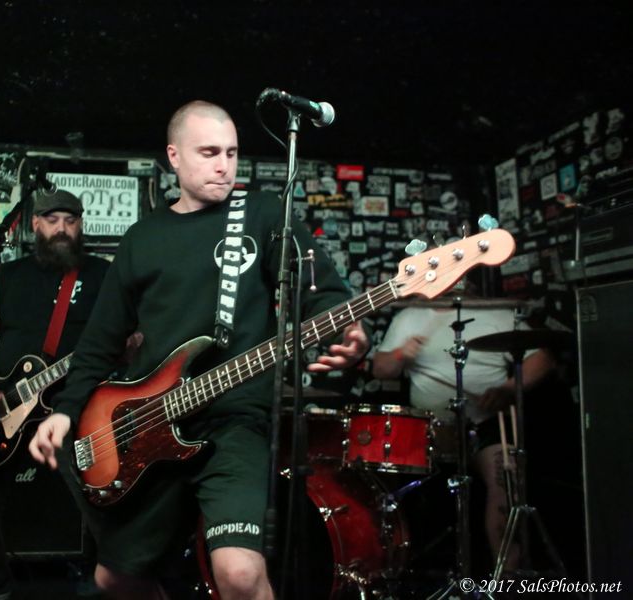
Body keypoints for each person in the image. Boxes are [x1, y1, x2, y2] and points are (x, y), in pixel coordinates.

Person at [29, 100, 369, 600]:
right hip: (149, 425)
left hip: (235, 421)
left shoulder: (263, 214)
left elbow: (321, 291)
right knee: (115, 580)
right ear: (174, 157)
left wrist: (349, 327)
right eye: (209, 152)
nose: (223, 165)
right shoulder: (143, 238)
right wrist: (65, 410)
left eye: (231, 153)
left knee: (239, 575)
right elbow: (100, 342)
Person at [0, 188, 111, 600]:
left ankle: (108, 579)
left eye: (70, 221)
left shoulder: (103, 276)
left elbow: (127, 335)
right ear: (35, 224)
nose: (62, 229)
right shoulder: (9, 275)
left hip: (77, 405)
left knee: (100, 493)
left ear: (81, 226)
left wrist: (132, 343)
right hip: (10, 405)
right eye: (52, 220)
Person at [371, 289, 555, 572]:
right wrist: (399, 353)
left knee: (506, 482)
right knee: (395, 489)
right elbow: (381, 369)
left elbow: (541, 360)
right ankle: (406, 572)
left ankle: (507, 575)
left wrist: (507, 389)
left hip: (488, 424)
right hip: (429, 430)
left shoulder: (497, 314)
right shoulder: (409, 317)